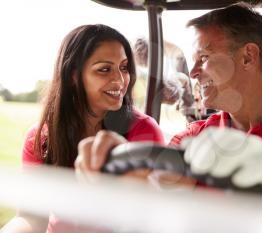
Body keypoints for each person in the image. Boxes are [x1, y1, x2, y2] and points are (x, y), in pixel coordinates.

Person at [74, 3, 262, 232]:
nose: (193, 72)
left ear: (247, 57)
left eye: (203, 57)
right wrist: (127, 174)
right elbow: (161, 185)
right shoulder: (193, 137)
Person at [3, 24, 164, 233]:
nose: (120, 80)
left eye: (124, 68)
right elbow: (32, 217)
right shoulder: (40, 137)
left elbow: (154, 218)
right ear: (73, 75)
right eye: (104, 69)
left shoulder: (144, 131)